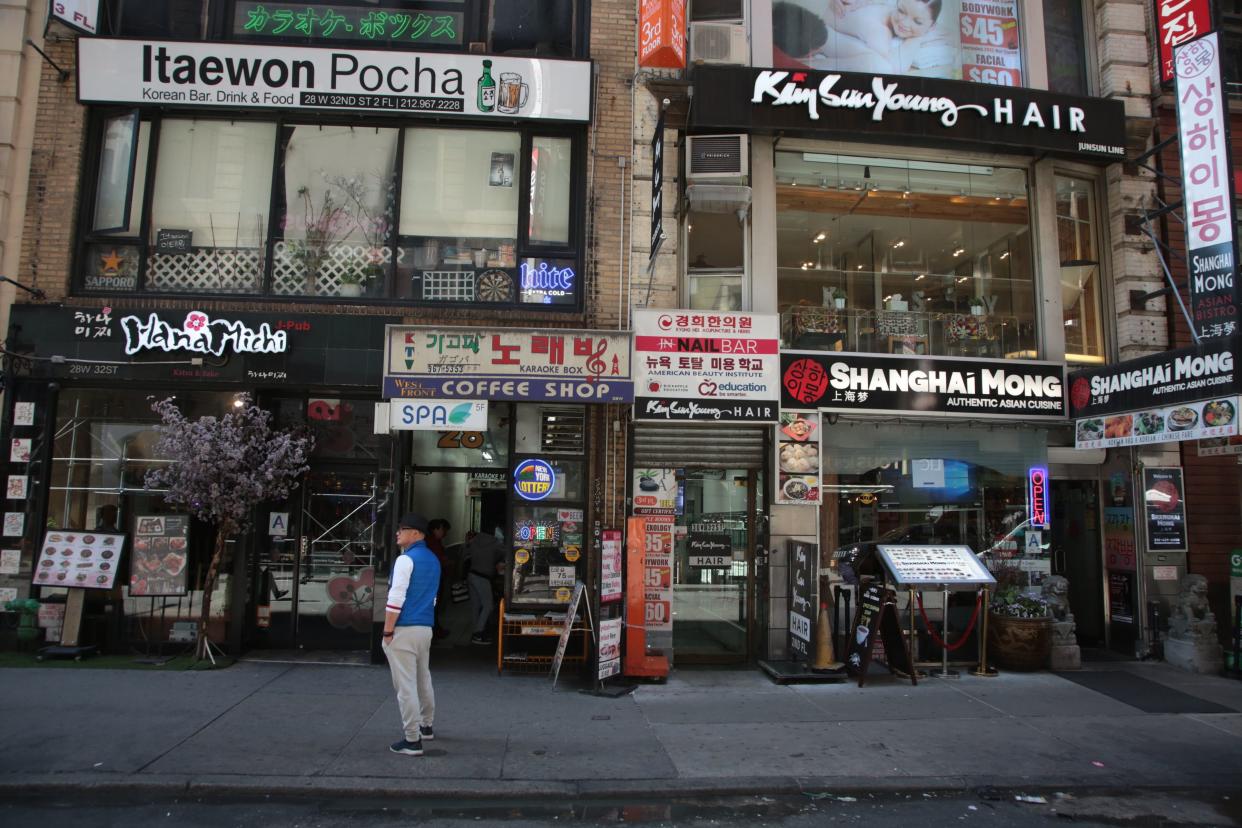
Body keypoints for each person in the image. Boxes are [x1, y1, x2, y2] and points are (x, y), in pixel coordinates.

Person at [382, 512, 441, 757]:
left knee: (405, 686)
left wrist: (387, 630)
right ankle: (426, 726)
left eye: (403, 529)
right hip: (425, 628)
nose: (398, 533)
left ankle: (412, 738)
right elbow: (433, 598)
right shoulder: (433, 559)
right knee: (422, 677)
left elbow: (395, 599)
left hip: (404, 628)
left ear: (416, 533)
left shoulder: (405, 560)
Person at [463, 519, 504, 645]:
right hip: (483, 577)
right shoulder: (496, 543)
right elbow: (507, 554)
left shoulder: (474, 540)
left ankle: (475, 633)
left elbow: (465, 554)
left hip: (471, 575)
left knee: (476, 606)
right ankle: (478, 633)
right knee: (488, 605)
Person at [425, 518, 452, 639]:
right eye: (443, 529)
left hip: (435, 579)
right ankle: (434, 632)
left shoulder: (435, 542)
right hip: (432, 580)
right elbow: (438, 560)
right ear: (435, 529)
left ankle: (435, 630)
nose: (445, 533)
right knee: (434, 606)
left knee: (435, 606)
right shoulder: (432, 542)